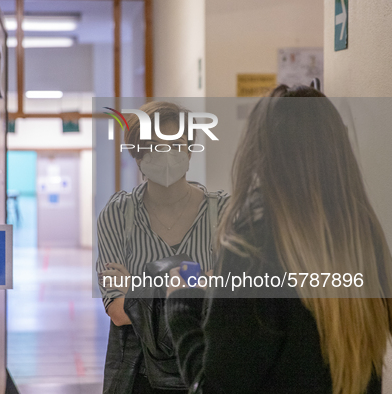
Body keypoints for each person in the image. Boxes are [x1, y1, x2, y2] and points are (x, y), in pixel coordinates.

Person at [166, 85, 392, 394]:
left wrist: (180, 304)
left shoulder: (251, 244)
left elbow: (215, 388)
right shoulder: (364, 235)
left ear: (259, 152)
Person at [96, 101, 229, 393]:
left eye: (177, 143)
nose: (166, 154)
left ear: (190, 149)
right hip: (140, 374)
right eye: (155, 145)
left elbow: (232, 294)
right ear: (138, 156)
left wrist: (138, 288)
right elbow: (118, 310)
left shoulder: (223, 211)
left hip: (208, 367)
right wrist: (199, 279)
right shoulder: (117, 214)